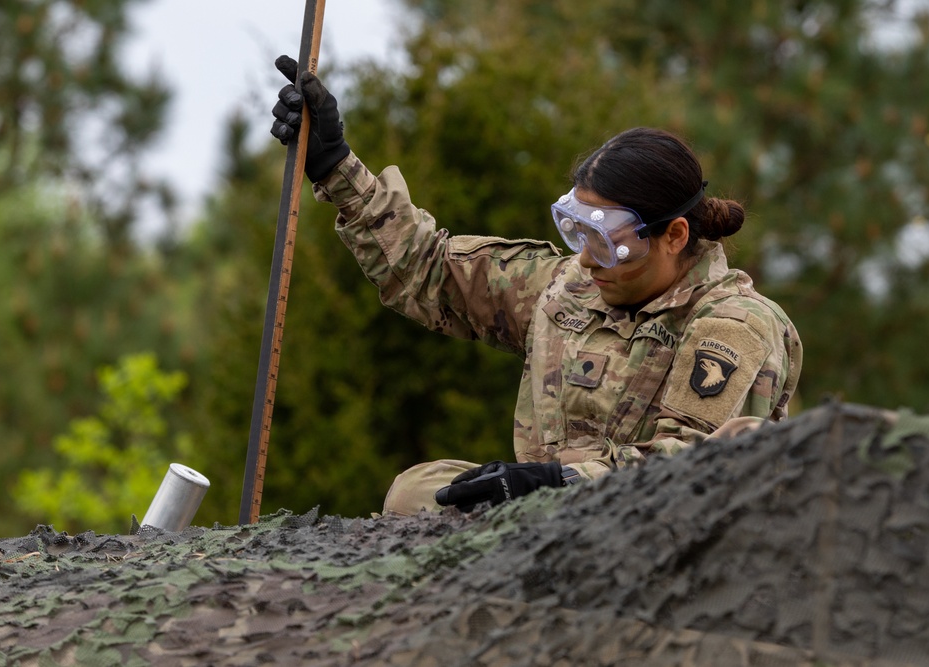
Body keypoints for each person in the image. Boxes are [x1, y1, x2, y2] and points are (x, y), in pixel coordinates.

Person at [270, 56, 803, 516]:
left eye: (607, 242)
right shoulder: (566, 288)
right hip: (544, 526)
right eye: (578, 234)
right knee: (415, 491)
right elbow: (429, 268)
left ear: (674, 235)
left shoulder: (733, 325)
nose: (588, 262)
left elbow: (690, 471)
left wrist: (553, 486)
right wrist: (335, 166)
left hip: (661, 543)